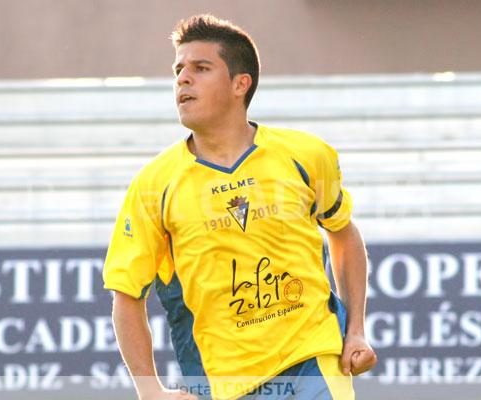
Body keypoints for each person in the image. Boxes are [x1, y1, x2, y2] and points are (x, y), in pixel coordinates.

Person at [103, 14, 377, 400]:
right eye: (179, 69)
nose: (183, 78)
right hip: (222, 386)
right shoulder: (153, 185)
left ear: (239, 83)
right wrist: (150, 392)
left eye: (201, 68)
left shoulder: (307, 155)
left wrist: (356, 330)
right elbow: (126, 294)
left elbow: (343, 232)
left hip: (314, 363)